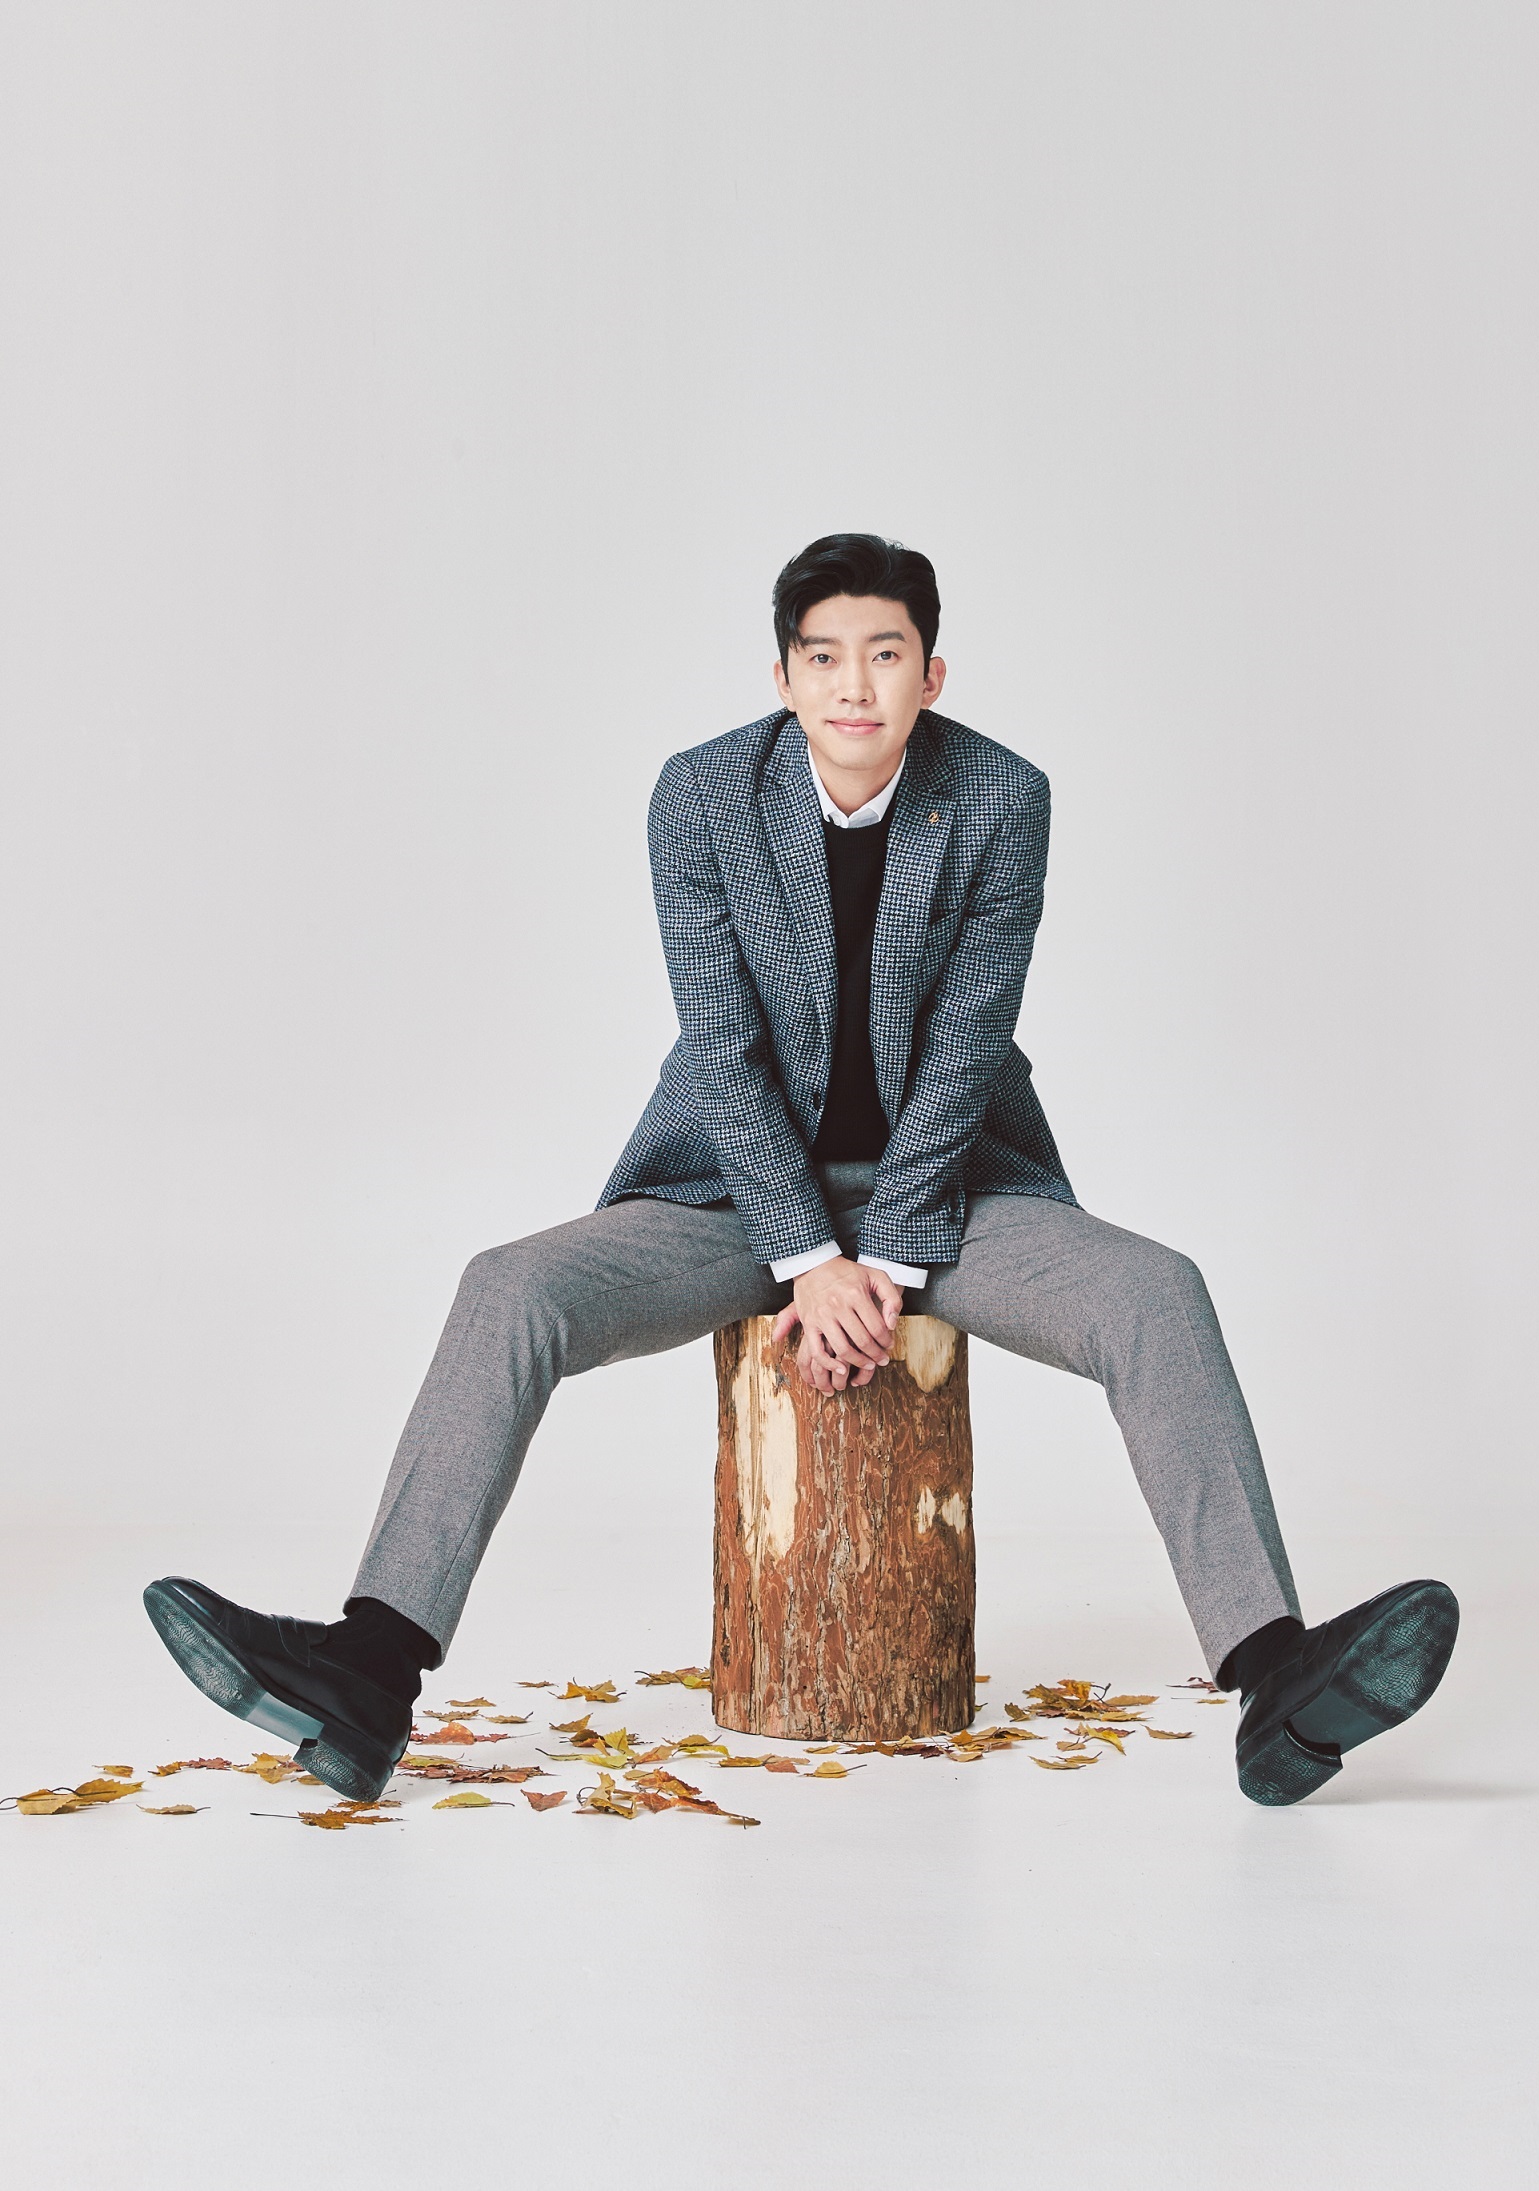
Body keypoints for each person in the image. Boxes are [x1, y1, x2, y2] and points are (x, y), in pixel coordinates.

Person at [144, 532, 1458, 1808]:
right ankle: (371, 1670)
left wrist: (881, 1257)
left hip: (952, 1192)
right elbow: (719, 1046)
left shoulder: (1002, 796)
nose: (853, 685)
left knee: (1156, 1291)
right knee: (508, 1288)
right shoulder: (702, 793)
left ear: (931, 673)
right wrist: (811, 1259)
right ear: (781, 677)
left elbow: (968, 1043)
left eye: (884, 653)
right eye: (823, 656)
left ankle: (1273, 1675)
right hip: (730, 1193)